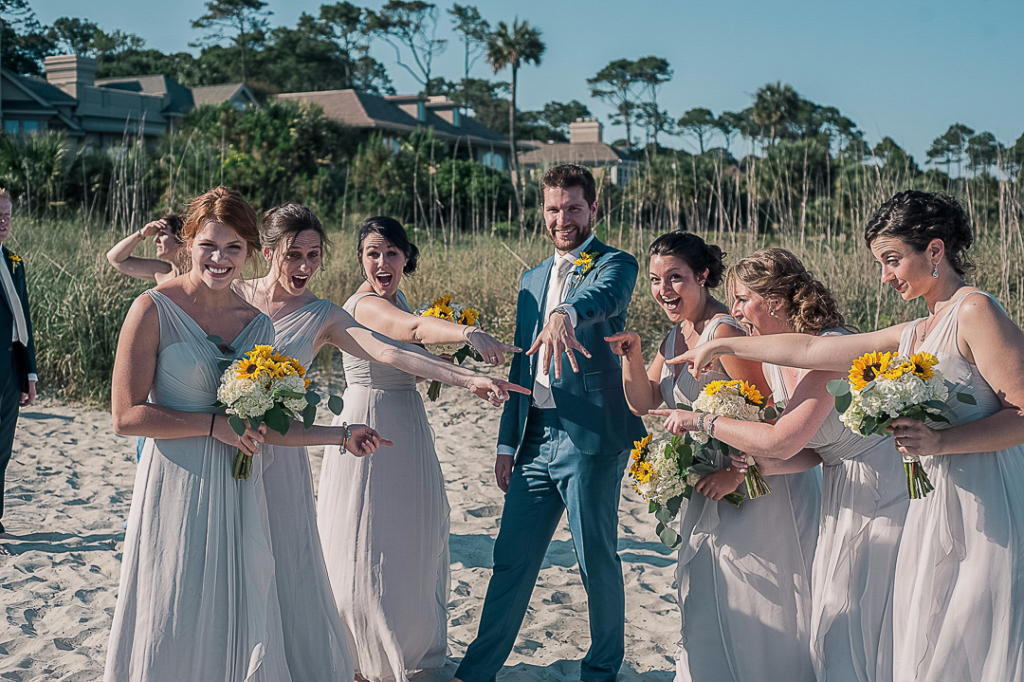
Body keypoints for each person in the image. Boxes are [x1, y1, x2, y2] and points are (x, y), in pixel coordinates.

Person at [674, 191, 1024, 682]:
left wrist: (941, 442)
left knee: (972, 632)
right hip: (932, 497)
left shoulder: (975, 311)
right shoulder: (920, 329)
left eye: (892, 260)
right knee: (926, 638)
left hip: (984, 493)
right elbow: (813, 350)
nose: (884, 275)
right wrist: (726, 340)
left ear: (936, 251)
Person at [103, 186, 389, 682]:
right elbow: (125, 416)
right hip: (176, 478)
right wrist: (212, 426)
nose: (220, 258)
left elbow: (267, 427)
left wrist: (341, 435)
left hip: (239, 485)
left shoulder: (257, 326)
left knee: (237, 605)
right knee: (174, 596)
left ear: (252, 251)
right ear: (188, 242)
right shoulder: (151, 309)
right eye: (209, 245)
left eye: (233, 247)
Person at [235, 205, 526, 682]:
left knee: (407, 535)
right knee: (359, 539)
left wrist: (464, 376)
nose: (381, 262)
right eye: (372, 253)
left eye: (391, 252)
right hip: (360, 421)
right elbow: (403, 337)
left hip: (401, 423)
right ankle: (352, 649)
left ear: (406, 257)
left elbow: (402, 349)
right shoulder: (362, 304)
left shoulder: (368, 304)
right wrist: (468, 338)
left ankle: (398, 641)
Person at [656, 248, 907, 682]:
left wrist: (702, 420)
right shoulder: (775, 359)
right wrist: (761, 468)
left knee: (865, 622)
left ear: (774, 301)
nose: (733, 311)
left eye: (740, 299)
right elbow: (812, 450)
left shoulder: (831, 348)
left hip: (882, 488)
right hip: (840, 488)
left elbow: (785, 438)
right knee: (835, 621)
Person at [452, 164, 646, 682]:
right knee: (510, 560)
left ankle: (601, 672)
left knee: (594, 561)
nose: (563, 219)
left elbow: (606, 300)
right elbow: (521, 362)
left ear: (594, 210)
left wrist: (566, 313)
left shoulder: (616, 263)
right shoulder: (531, 278)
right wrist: (505, 441)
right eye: (554, 209)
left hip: (590, 435)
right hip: (534, 437)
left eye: (574, 208)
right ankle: (475, 672)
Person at [608, 235, 820, 682]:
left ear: (702, 276)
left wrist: (735, 473)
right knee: (710, 595)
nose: (664, 289)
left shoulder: (724, 331)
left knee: (754, 598)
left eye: (675, 278)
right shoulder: (673, 336)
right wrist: (633, 355)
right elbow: (644, 403)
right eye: (655, 280)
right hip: (707, 483)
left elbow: (767, 411)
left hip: (753, 486)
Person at [0, 188, 37, 538]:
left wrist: (30, 373)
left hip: (11, 371)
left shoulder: (14, 262)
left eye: (7, 215)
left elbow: (23, 321)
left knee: (2, 449)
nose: (3, 222)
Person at [105, 214, 184, 284]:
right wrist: (142, 233)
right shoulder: (162, 272)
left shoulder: (194, 274)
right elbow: (114, 258)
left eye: (162, 234)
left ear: (181, 239)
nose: (155, 240)